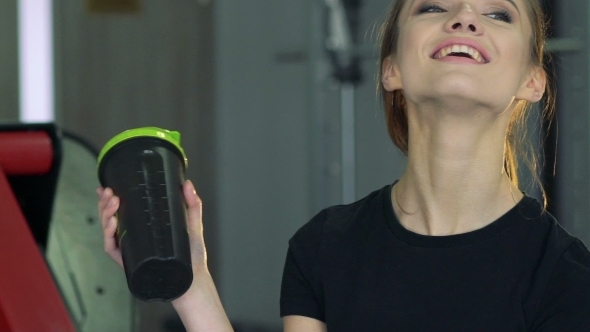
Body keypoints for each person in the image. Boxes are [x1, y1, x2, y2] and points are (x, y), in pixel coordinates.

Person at [99, 0, 590, 330]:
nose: (463, 16)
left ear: (533, 81)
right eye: (433, 6)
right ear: (391, 67)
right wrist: (192, 283)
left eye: (499, 14)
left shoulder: (563, 276)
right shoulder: (324, 247)